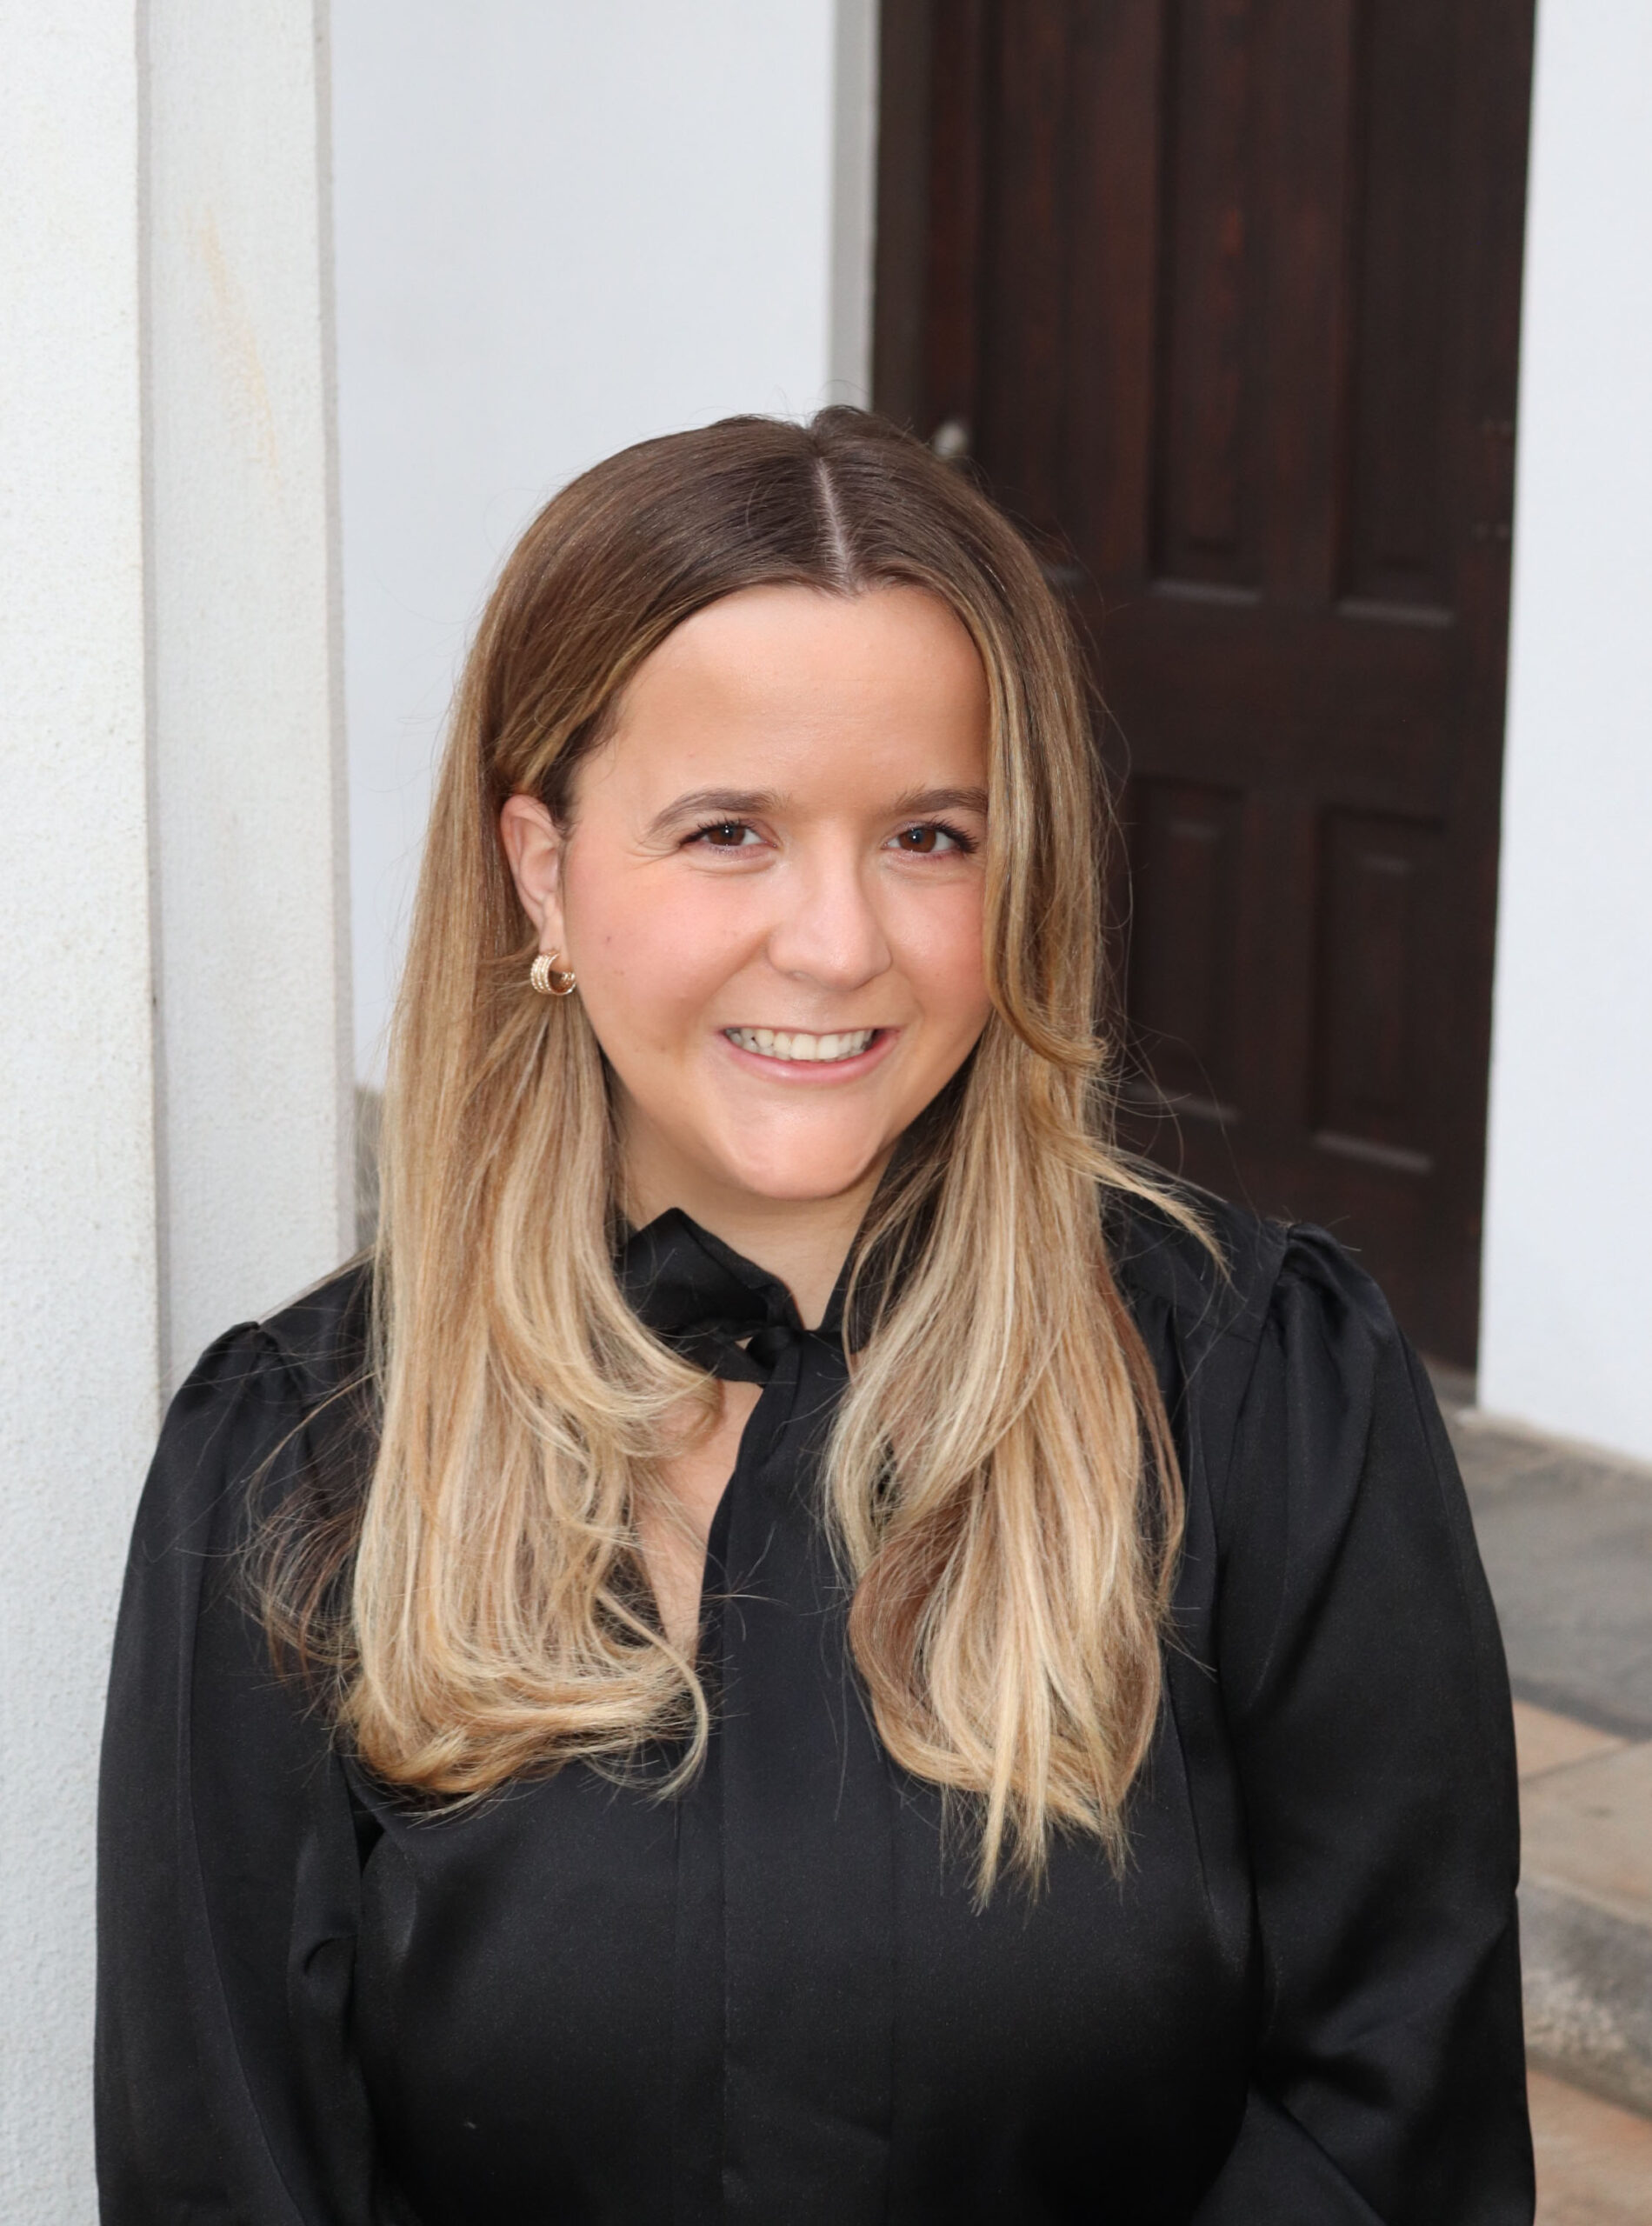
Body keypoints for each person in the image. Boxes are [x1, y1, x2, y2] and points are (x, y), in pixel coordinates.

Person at [97, 409, 1534, 2223]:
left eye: (928, 834)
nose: (838, 939)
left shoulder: (1264, 1401)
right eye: (726, 832)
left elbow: (1386, 2122)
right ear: (539, 866)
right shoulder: (301, 1468)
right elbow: (227, 2168)